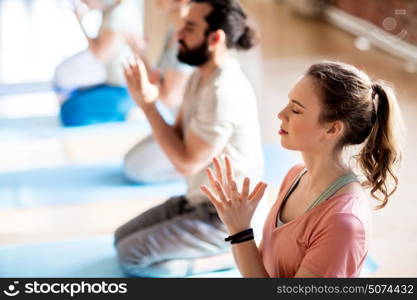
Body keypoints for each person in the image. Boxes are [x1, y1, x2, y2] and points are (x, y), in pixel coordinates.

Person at [201, 61, 404, 277]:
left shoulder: (343, 223)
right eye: (288, 103)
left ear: (332, 129)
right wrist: (236, 226)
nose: (281, 114)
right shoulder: (295, 176)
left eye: (296, 110)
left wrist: (241, 231)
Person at [114, 0, 264, 277]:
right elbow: (177, 136)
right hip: (196, 201)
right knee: (120, 237)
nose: (178, 34)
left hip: (225, 218)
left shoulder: (223, 91)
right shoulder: (200, 75)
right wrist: (148, 101)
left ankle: (228, 254)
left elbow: (185, 163)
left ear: (215, 38)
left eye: (190, 28)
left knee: (130, 256)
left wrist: (148, 107)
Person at [53, 0, 143, 126]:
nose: (84, 3)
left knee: (69, 113)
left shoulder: (119, 14)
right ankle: (123, 114)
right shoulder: (114, 11)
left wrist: (81, 21)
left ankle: (126, 113)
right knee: (69, 101)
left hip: (122, 90)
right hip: (115, 86)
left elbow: (100, 55)